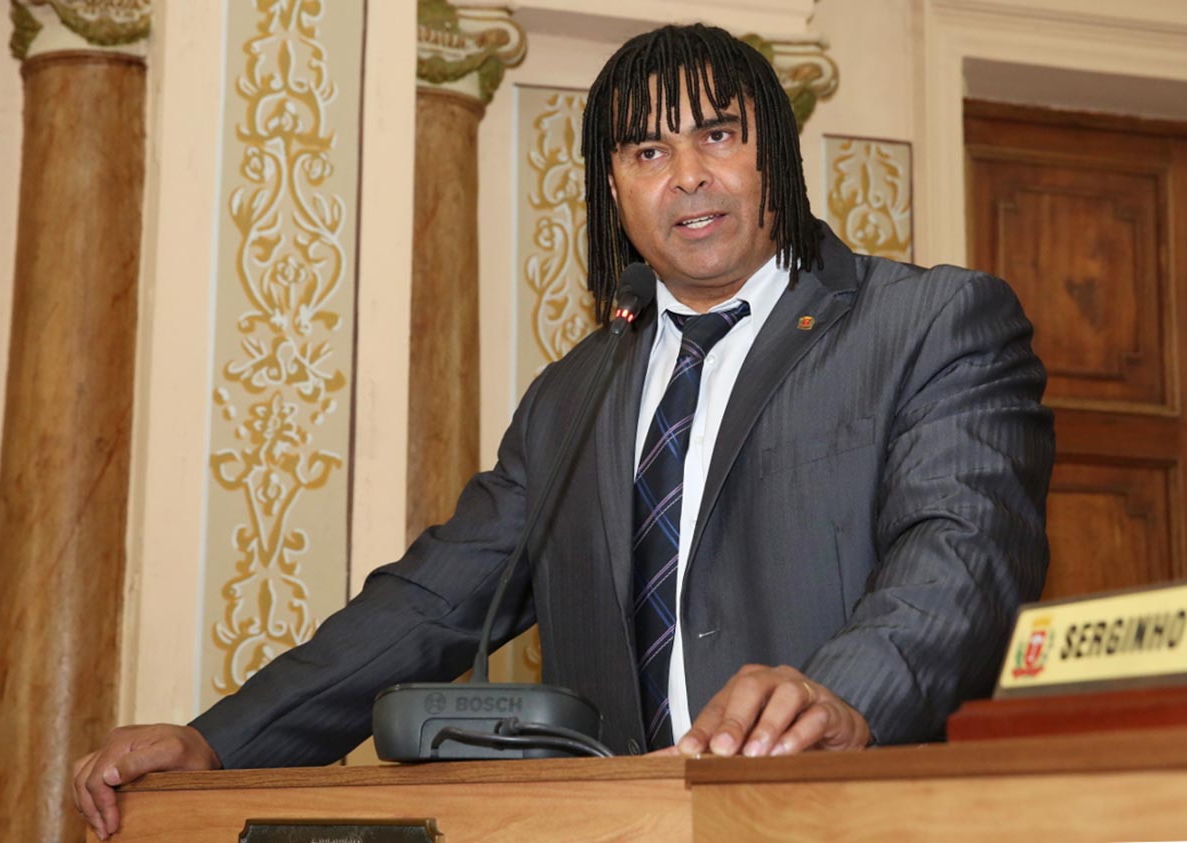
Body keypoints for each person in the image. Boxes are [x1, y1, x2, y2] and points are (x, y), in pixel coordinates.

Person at [73, 23, 1053, 840]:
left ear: (777, 159)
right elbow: (428, 604)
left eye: (718, 135)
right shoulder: (571, 395)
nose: (688, 177)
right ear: (613, 191)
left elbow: (964, 553)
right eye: (647, 153)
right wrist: (218, 741)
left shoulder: (927, 323)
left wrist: (845, 697)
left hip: (854, 819)